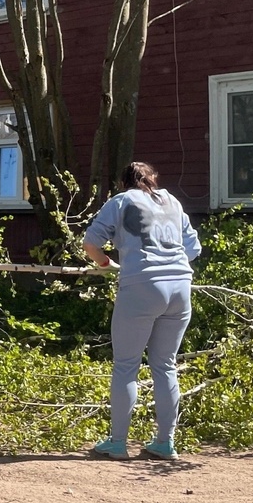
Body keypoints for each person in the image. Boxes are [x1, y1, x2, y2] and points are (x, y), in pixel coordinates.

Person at [82, 161, 201, 461]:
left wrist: (106, 264)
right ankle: (165, 442)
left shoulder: (121, 201)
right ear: (153, 180)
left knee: (126, 365)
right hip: (180, 286)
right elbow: (193, 248)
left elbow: (91, 243)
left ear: (125, 183)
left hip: (141, 285)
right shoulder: (172, 201)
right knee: (165, 365)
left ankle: (118, 442)